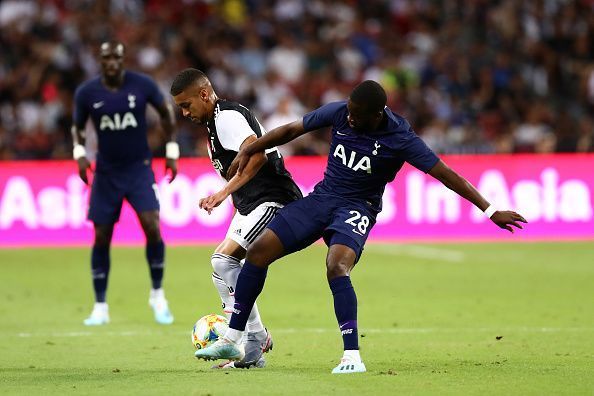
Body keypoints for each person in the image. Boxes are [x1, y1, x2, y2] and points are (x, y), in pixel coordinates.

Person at [194, 80, 528, 373]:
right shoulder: (341, 112)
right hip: (322, 198)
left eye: (357, 115)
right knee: (258, 252)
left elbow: (445, 174)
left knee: (336, 266)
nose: (350, 119)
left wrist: (490, 208)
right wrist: (251, 146)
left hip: (357, 208)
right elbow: (293, 129)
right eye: (349, 112)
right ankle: (233, 336)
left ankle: (351, 354)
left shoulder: (401, 138)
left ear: (378, 113)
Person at [169, 68, 302, 368]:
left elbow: (257, 155)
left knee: (224, 261)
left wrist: (223, 193)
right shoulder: (212, 128)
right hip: (252, 205)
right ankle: (254, 344)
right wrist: (235, 205)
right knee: (221, 266)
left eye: (186, 105)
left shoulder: (226, 117)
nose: (184, 112)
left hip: (274, 198)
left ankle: (239, 337)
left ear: (204, 94)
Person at [71, 42, 178, 326]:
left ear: (123, 59)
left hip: (139, 169)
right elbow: (77, 126)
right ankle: (100, 306)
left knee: (152, 225)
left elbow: (166, 112)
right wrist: (80, 153)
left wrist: (171, 150)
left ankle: (157, 295)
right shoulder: (87, 92)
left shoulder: (141, 84)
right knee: (102, 235)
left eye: (116, 57)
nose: (112, 63)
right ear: (100, 60)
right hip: (106, 173)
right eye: (106, 58)